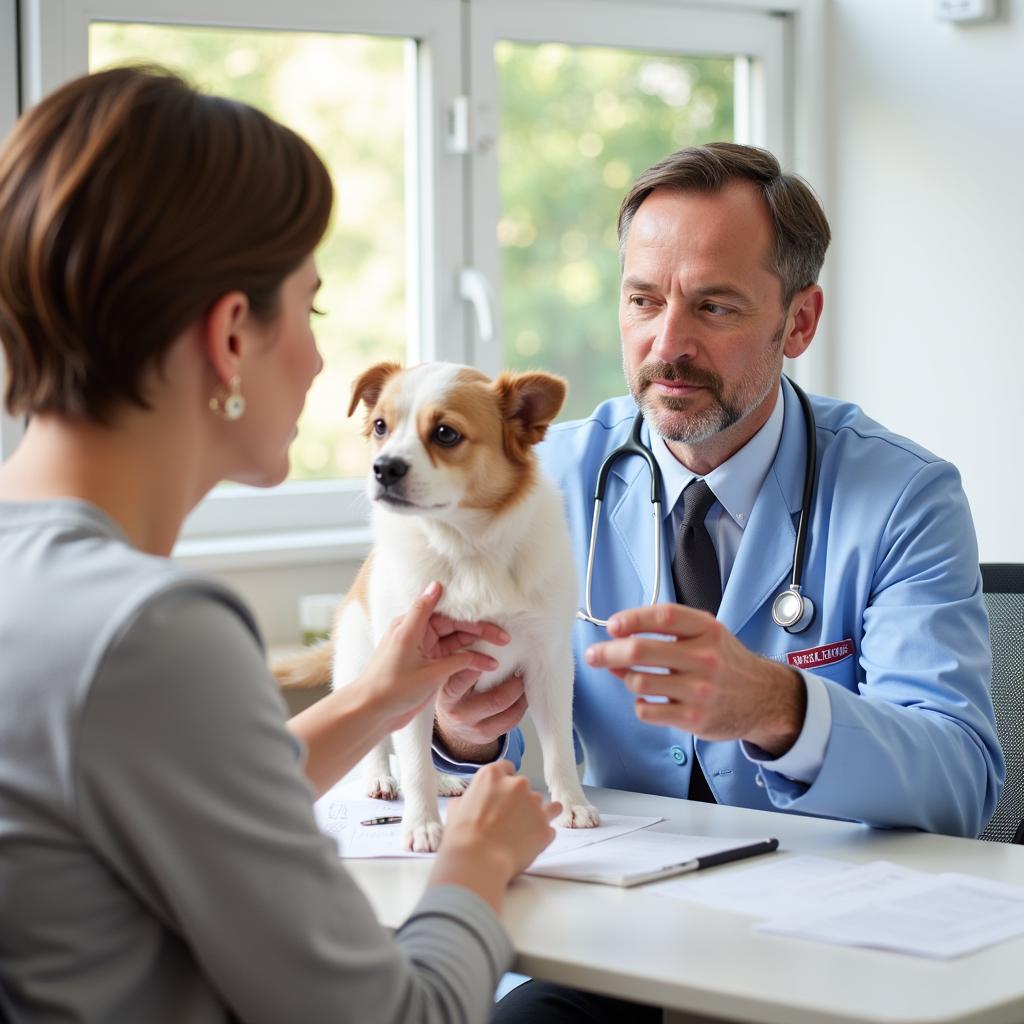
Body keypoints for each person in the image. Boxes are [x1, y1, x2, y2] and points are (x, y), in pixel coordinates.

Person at [0, 66, 562, 1023]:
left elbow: (162, 795)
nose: (314, 361)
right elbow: (397, 1018)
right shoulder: (151, 632)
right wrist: (480, 860)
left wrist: (374, 697)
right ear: (230, 336)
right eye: (312, 309)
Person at [443, 140, 1006, 1022]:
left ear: (800, 321)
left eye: (713, 306)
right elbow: (491, 765)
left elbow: (960, 785)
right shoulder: (546, 481)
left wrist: (780, 709)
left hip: (833, 953)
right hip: (610, 944)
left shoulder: (903, 496)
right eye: (642, 302)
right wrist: (464, 735)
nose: (668, 346)